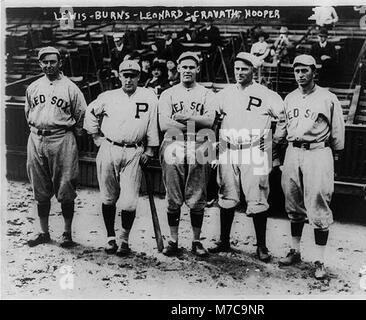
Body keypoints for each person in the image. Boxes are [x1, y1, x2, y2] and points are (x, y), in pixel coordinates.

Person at [208, 52, 285, 262]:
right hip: (228, 148)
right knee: (226, 194)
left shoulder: (266, 93)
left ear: (254, 70)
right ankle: (224, 240)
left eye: (245, 69)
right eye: (237, 69)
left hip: (255, 150)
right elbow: (212, 119)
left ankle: (261, 246)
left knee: (258, 197)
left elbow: (283, 119)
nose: (240, 73)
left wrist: (274, 142)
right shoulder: (224, 94)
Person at [273, 54, 345, 279]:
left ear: (314, 72)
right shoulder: (290, 97)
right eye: (297, 71)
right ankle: (295, 250)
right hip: (293, 151)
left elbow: (337, 132)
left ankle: (320, 260)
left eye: (305, 71)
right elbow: (281, 129)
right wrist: (276, 149)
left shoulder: (327, 97)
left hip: (318, 151)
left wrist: (336, 155)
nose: (301, 75)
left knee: (318, 203)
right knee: (293, 202)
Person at [84, 60, 159, 256]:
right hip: (109, 147)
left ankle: (124, 239)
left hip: (134, 151)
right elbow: (90, 113)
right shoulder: (108, 96)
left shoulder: (149, 97)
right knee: (108, 197)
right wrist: (95, 137)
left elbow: (152, 124)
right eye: (125, 75)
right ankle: (110, 237)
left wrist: (150, 150)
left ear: (138, 77)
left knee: (129, 202)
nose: (128, 79)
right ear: (119, 76)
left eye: (133, 75)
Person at [25, 46, 87, 248]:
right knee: (39, 189)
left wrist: (72, 138)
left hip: (61, 138)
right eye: (45, 62)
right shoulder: (33, 87)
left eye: (53, 61)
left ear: (60, 63)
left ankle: (67, 233)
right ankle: (44, 232)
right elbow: (28, 114)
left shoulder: (70, 88)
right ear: (40, 64)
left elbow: (81, 117)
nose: (49, 65)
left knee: (65, 187)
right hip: (36, 139)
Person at [158, 52, 216, 257]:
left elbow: (209, 122)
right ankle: (173, 241)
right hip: (173, 142)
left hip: (199, 144)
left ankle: (196, 241)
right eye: (184, 67)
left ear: (197, 69)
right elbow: (164, 124)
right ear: (178, 69)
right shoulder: (168, 93)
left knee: (197, 194)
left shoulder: (207, 94)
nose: (188, 70)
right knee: (173, 195)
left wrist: (183, 117)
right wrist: (194, 122)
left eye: (192, 67)